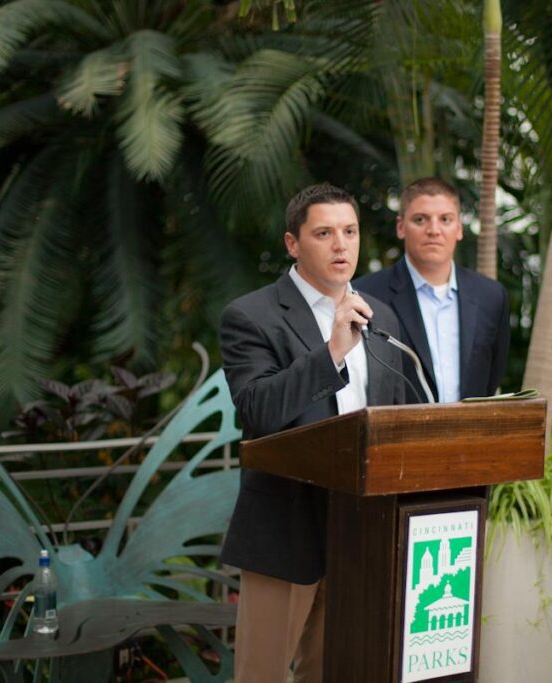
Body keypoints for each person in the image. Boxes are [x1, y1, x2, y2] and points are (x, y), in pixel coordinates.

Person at [218, 183, 406, 683]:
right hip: (285, 528)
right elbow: (258, 409)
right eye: (324, 233)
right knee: (262, 675)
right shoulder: (251, 316)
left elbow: (399, 412)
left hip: (361, 532)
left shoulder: (381, 316)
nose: (341, 245)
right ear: (293, 243)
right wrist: (332, 353)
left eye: (350, 231)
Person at [354, 177, 510, 403]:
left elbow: (491, 377)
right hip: (397, 434)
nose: (434, 230)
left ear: (458, 228)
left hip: (470, 434)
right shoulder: (365, 295)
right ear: (401, 227)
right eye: (420, 219)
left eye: (445, 219)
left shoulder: (491, 296)